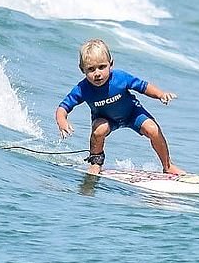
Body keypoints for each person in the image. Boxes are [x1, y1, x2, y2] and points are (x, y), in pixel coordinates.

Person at [56, 38, 184, 176]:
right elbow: (63, 107)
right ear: (82, 70)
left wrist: (160, 94)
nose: (97, 73)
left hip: (133, 114)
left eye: (102, 67)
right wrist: (62, 121)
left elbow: (144, 86)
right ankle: (96, 162)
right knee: (99, 130)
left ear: (111, 64)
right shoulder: (83, 89)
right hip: (105, 119)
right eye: (91, 69)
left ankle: (167, 165)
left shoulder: (120, 78)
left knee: (153, 130)